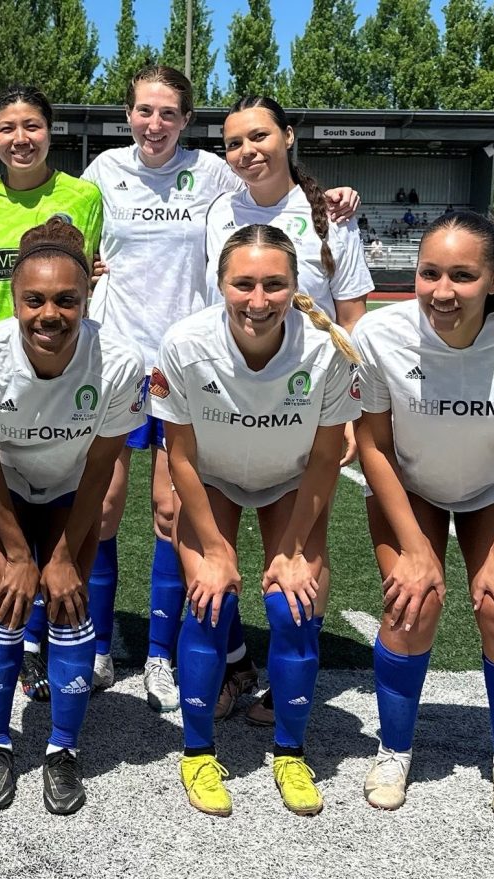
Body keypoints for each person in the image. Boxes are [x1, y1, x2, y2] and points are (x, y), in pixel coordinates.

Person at [78, 69, 358, 714]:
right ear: (128, 115)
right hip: (135, 361)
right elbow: (74, 236)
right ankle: (135, 649)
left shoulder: (217, 176)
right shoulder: (104, 173)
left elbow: (284, 195)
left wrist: (335, 197)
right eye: (144, 111)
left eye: (168, 112)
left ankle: (163, 653)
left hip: (235, 378)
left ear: (185, 120)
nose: (155, 123)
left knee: (183, 515)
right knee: (118, 509)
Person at [353, 210, 494, 825]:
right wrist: (415, 549)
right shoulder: (380, 334)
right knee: (411, 602)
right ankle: (393, 750)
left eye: (462, 276)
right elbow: (371, 443)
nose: (442, 292)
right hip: (411, 484)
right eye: (429, 273)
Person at [153, 223, 359, 817]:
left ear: (296, 287)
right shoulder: (186, 344)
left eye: (274, 284)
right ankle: (196, 753)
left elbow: (325, 458)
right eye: (243, 284)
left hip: (289, 481)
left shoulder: (327, 348)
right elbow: (182, 455)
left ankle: (289, 752)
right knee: (210, 600)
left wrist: (294, 550)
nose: (258, 300)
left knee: (291, 607)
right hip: (211, 478)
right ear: (220, 284)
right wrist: (215, 549)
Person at [0, 218, 144, 814]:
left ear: (87, 299)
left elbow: (100, 470)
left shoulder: (121, 361)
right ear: (14, 300)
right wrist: (20, 556)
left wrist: (58, 558)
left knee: (70, 604)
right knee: (6, 601)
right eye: (34, 300)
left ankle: (62, 750)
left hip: (68, 487)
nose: (49, 314)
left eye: (66, 300)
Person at [206, 94, 372, 722]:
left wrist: (353, 409)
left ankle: (286, 677)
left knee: (302, 546)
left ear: (289, 135)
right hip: (230, 395)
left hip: (310, 399)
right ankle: (227, 670)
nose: (247, 151)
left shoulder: (327, 213)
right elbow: (212, 299)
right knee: (211, 538)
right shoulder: (219, 210)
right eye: (234, 142)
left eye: (259, 136)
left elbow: (353, 317)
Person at [0, 84, 104, 701]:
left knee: (88, 501)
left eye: (32, 126)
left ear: (51, 131)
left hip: (63, 367)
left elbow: (81, 279)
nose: (20, 138)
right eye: (6, 128)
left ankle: (66, 646)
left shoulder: (84, 196)